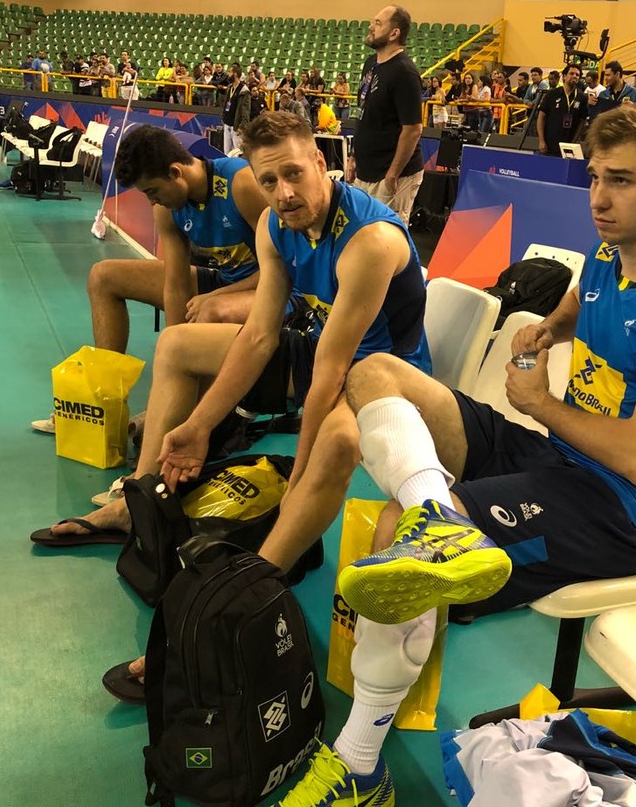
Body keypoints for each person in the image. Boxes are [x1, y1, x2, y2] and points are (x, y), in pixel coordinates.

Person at [277, 99, 636, 806]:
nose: (599, 199)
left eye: (620, 181)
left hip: (621, 511)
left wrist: (541, 404)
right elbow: (576, 310)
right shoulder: (606, 257)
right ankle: (440, 520)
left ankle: (360, 765)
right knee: (374, 373)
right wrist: (546, 333)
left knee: (392, 532)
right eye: (593, 178)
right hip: (554, 461)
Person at [38, 113, 431, 692]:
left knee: (334, 445)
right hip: (318, 352)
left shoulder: (372, 240)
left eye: (295, 174)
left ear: (322, 162)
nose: (284, 194)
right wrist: (199, 424)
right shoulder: (276, 225)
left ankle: (246, 595)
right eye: (269, 182)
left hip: (384, 378)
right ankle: (136, 501)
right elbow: (259, 336)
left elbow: (333, 371)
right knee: (178, 343)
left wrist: (301, 466)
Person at [29, 125, 268, 435]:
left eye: (152, 191)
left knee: (211, 313)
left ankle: (189, 418)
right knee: (104, 276)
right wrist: (171, 352)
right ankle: (104, 403)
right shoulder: (167, 209)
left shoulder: (241, 184)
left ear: (175, 172)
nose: (152, 202)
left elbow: (286, 270)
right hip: (226, 281)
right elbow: (176, 283)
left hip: (273, 291)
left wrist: (213, 299)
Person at [349, 4, 425, 226]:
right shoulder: (370, 63)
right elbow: (364, 114)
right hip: (366, 169)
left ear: (394, 33)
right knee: (361, 232)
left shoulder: (405, 72)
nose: (371, 27)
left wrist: (393, 174)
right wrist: (354, 155)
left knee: (388, 238)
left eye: (378, 23)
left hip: (391, 175)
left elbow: (413, 130)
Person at [537, 62, 587, 156]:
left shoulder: (582, 97)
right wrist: (541, 140)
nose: (575, 76)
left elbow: (582, 121)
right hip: (549, 144)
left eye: (577, 75)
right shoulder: (552, 94)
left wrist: (575, 140)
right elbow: (541, 117)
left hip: (569, 146)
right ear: (564, 76)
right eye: (571, 73)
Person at [222, 63, 251, 153]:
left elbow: (245, 110)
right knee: (227, 153)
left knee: (238, 152)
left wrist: (242, 126)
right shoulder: (230, 87)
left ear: (235, 74)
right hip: (227, 123)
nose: (227, 74)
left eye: (229, 72)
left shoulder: (244, 90)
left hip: (236, 126)